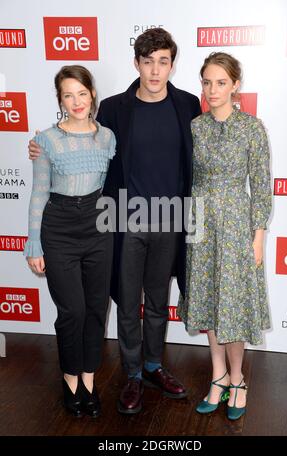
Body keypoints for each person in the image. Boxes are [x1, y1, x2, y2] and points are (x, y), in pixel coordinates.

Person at [29, 28, 201, 414]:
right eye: (147, 61)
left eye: (163, 61)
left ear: (172, 64)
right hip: (122, 219)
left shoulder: (189, 105)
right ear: (136, 63)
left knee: (158, 300)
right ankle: (133, 375)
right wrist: (40, 146)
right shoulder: (114, 109)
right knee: (127, 303)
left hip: (170, 218)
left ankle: (155, 366)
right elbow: (80, 141)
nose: (155, 71)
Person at [177, 52, 272, 420]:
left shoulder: (252, 128)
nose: (211, 90)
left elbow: (261, 187)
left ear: (235, 85)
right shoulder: (195, 127)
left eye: (220, 82)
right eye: (206, 82)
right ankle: (217, 378)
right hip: (199, 224)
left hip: (236, 226)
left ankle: (238, 380)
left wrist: (258, 235)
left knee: (232, 307)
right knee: (209, 305)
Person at [24, 65, 116, 418]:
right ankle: (69, 378)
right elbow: (38, 192)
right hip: (59, 226)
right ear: (59, 99)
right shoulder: (46, 140)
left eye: (82, 92)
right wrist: (35, 242)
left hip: (98, 226)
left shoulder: (107, 137)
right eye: (68, 95)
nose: (76, 101)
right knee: (72, 311)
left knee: (95, 308)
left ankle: (89, 379)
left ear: (92, 93)